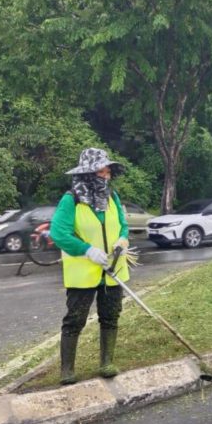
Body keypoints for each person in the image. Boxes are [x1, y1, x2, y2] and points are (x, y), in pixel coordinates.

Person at [50, 148, 130, 385]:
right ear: (86, 174)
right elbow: (59, 234)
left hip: (113, 271)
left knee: (110, 316)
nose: (105, 176)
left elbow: (123, 225)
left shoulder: (112, 198)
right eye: (100, 172)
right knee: (75, 320)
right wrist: (87, 250)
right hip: (83, 274)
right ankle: (67, 370)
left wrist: (123, 240)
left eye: (107, 172)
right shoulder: (71, 200)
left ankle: (106, 362)